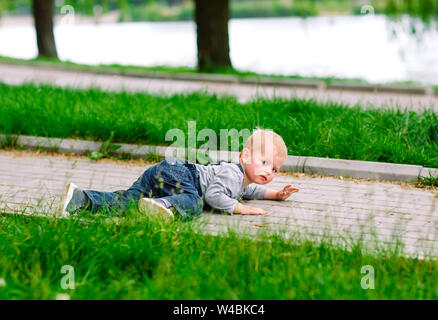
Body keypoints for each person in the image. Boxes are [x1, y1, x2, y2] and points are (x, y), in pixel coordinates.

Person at [57, 129, 299, 220]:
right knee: (195, 203)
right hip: (181, 173)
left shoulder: (243, 181)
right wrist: (240, 208)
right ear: (245, 157)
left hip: (161, 173)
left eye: (274, 168)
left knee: (129, 203)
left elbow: (252, 190)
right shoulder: (232, 174)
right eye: (264, 162)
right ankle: (163, 205)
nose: (269, 170)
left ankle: (81, 199)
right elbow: (215, 196)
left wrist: (276, 194)